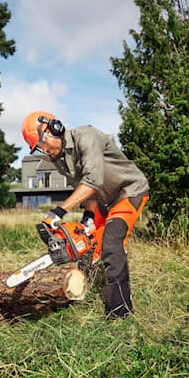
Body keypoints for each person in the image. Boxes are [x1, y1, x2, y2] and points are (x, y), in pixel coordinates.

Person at [21, 111, 150, 319]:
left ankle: (120, 312)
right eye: (39, 148)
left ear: (54, 129)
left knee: (111, 243)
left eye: (43, 144)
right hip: (102, 199)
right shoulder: (59, 159)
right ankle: (82, 290)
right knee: (88, 244)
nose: (45, 151)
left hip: (129, 191)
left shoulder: (87, 137)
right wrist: (88, 216)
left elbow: (93, 180)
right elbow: (84, 186)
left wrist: (58, 212)